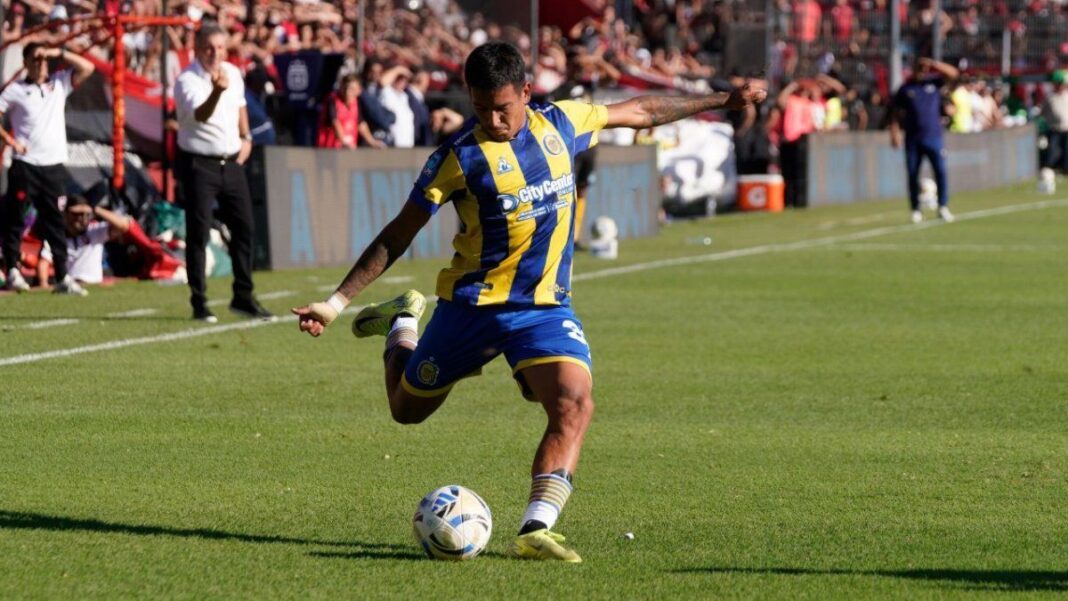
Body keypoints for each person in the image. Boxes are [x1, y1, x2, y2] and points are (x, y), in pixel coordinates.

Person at [292, 42, 766, 563]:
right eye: (480, 108)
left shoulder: (563, 124)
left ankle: (535, 527)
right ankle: (403, 321)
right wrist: (336, 303)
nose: (493, 120)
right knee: (406, 412)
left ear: (526, 92)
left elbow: (644, 111)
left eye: (503, 107)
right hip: (470, 308)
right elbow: (396, 235)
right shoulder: (456, 161)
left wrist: (723, 99)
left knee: (574, 402)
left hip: (542, 309)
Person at [174, 23, 273, 323]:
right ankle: (199, 300)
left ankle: (243, 295)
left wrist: (247, 138)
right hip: (199, 163)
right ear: (197, 47)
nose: (215, 53)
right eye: (209, 47)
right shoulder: (186, 80)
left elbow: (240, 107)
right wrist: (217, 91)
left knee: (245, 228)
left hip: (231, 162)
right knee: (199, 232)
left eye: (220, 47)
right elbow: (201, 116)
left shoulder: (232, 71)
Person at [0, 42, 94, 294]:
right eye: (36, 59)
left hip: (52, 166)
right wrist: (10, 141)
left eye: (44, 59)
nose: (41, 64)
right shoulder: (16, 90)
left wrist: (57, 52)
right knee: (16, 218)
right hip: (26, 165)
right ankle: (12, 269)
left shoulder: (58, 84)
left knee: (54, 220)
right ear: (26, 63)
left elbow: (88, 67)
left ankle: (62, 275)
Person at [889, 57, 959, 224]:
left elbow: (954, 74)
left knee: (940, 171)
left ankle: (943, 206)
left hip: (934, 137)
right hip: (913, 138)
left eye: (925, 68)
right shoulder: (905, 89)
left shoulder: (934, 84)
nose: (922, 71)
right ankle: (915, 209)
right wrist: (895, 132)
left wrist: (935, 64)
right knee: (913, 174)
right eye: (919, 67)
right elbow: (894, 113)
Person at [317, 73, 382, 149]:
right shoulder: (332, 100)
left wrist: (372, 142)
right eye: (345, 88)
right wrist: (344, 141)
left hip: (348, 148)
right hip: (329, 148)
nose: (347, 92)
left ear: (359, 91)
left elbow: (361, 123)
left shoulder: (357, 102)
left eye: (352, 89)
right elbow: (335, 122)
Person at [1040, 72, 1068, 173]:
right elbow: (1043, 113)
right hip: (1055, 129)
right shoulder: (1050, 98)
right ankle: (1049, 170)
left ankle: (1065, 170)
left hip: (1067, 128)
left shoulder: (1067, 95)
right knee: (1053, 152)